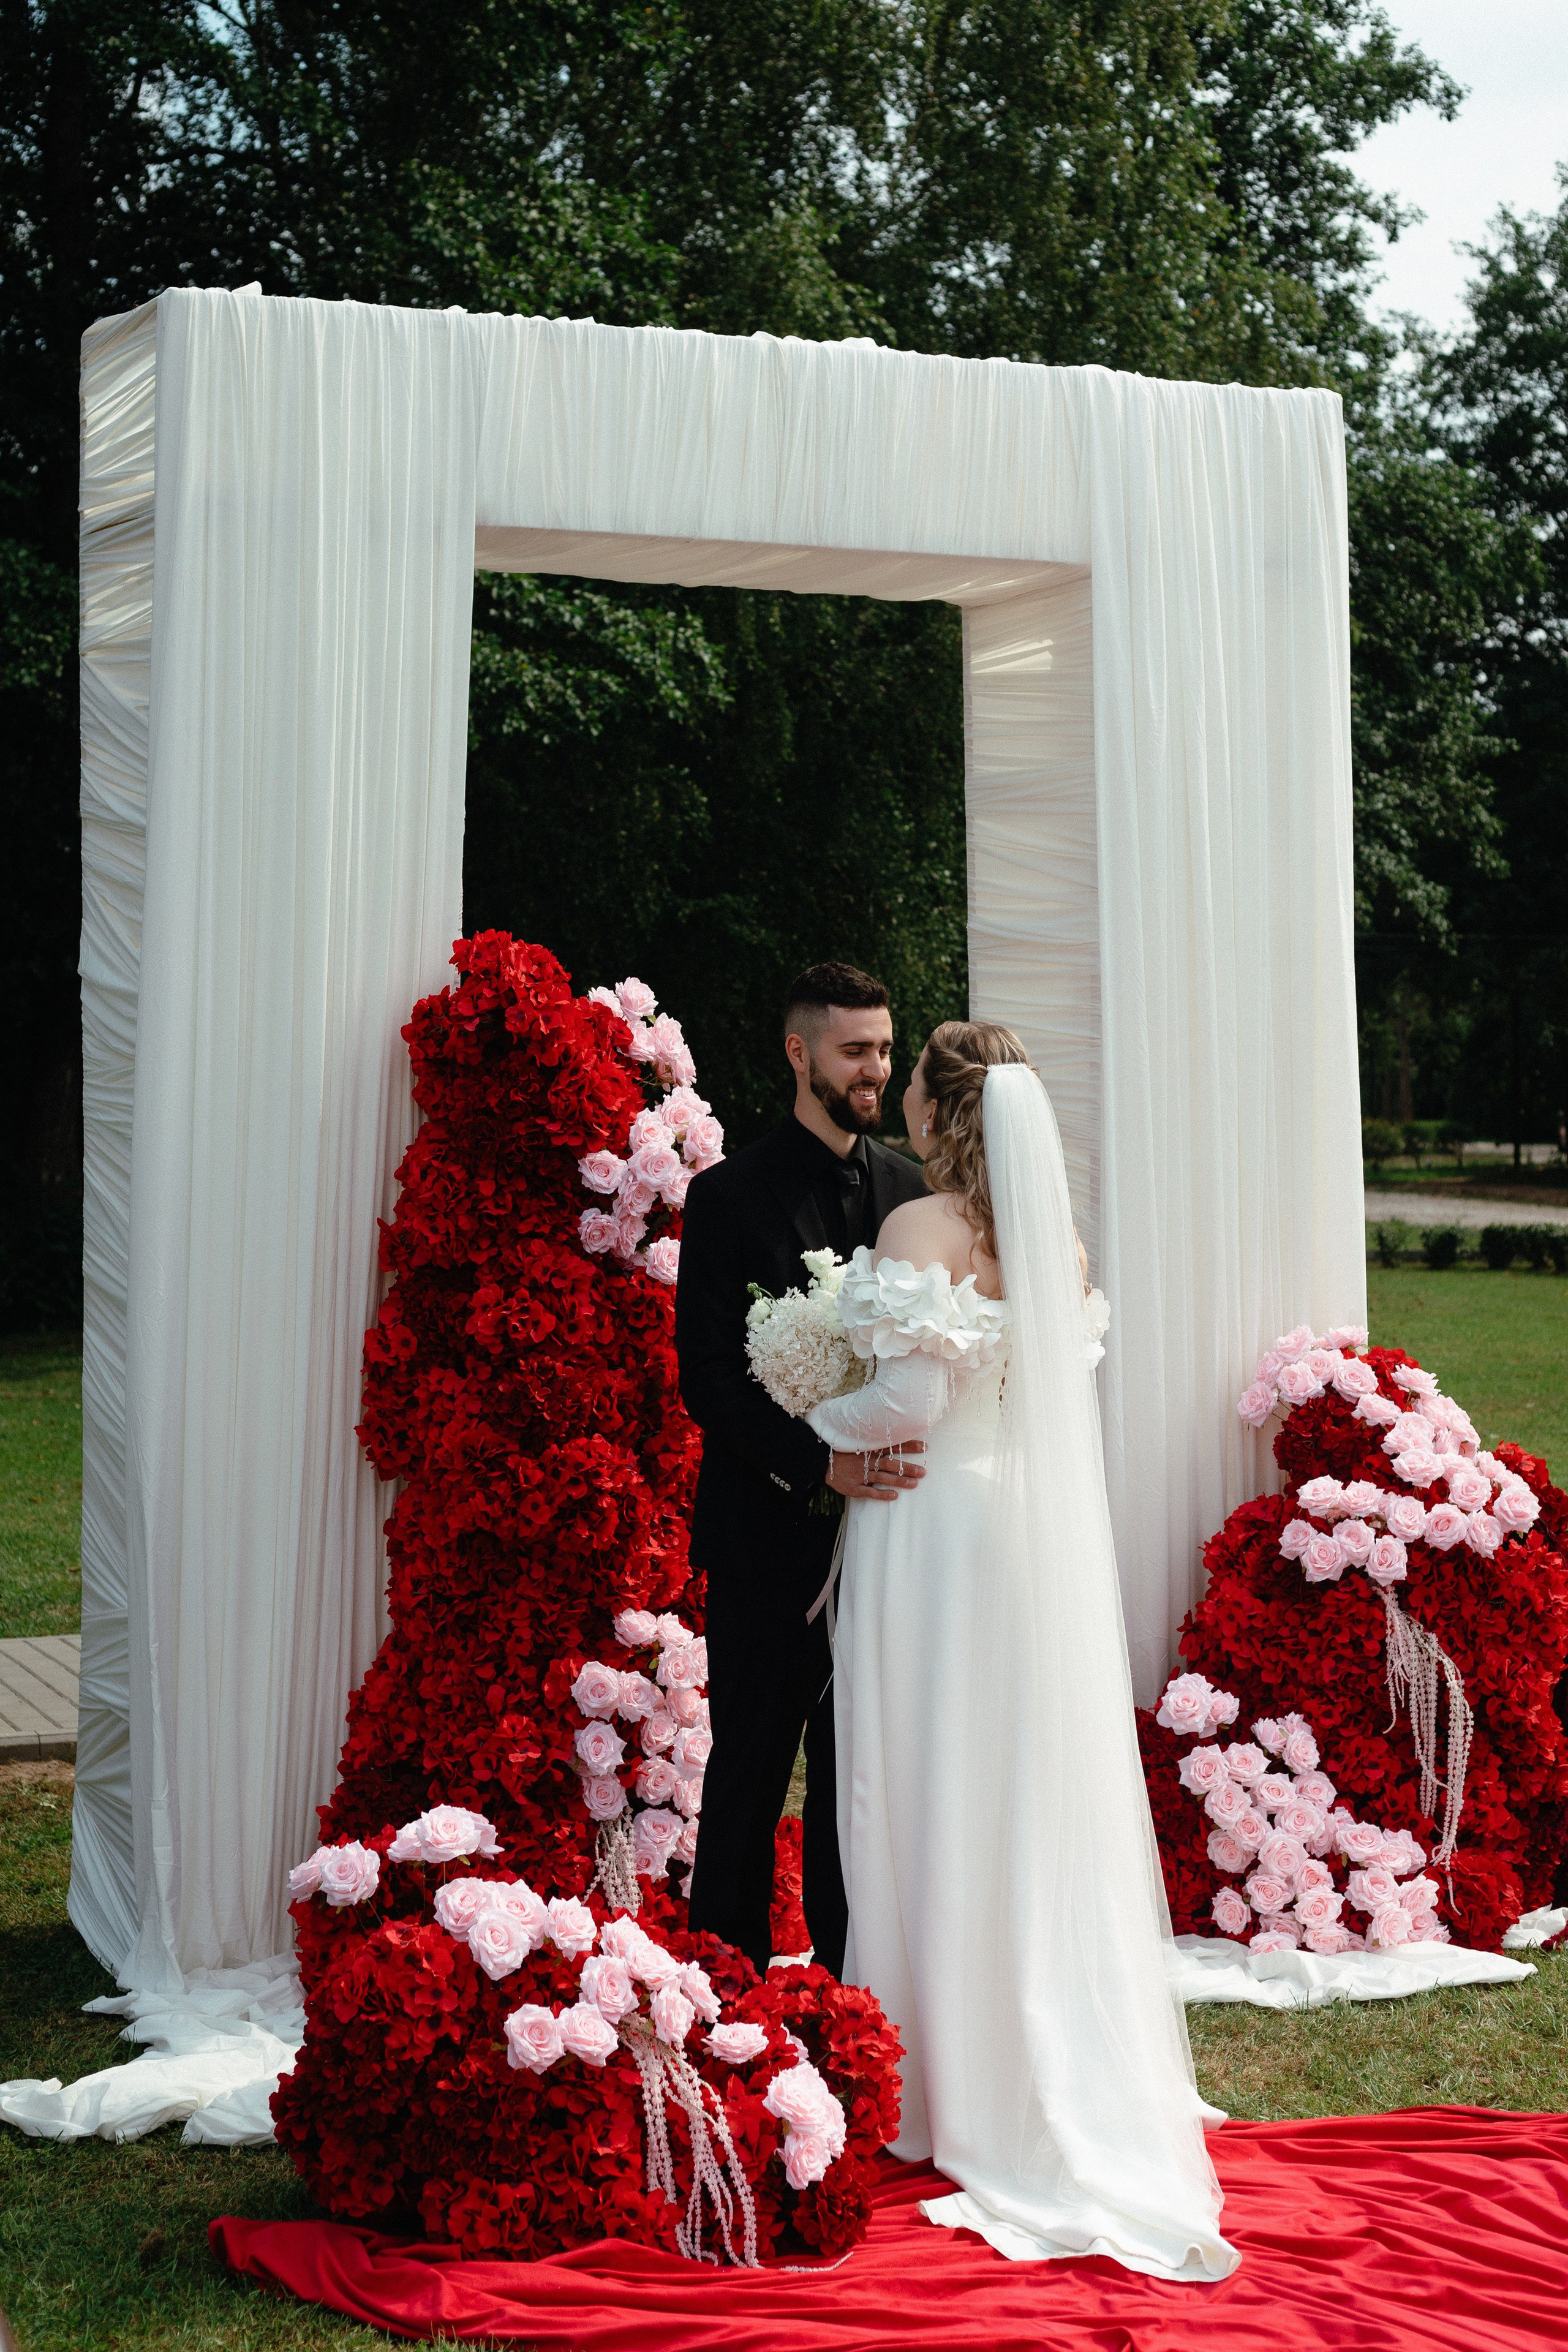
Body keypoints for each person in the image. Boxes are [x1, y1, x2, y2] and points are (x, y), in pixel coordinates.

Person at [805, 1021, 1238, 2282]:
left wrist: (808, 1404)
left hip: (927, 1523)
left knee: (919, 1780)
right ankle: (1016, 2041)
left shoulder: (915, 1235)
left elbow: (905, 1406)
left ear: (940, 1119)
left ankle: (934, 2078)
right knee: (1010, 1789)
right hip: (1023, 1542)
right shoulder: (1061, 1251)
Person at [674, 962, 929, 1981]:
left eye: (883, 1048)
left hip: (891, 1543)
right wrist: (822, 1464)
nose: (875, 1069)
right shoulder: (727, 1198)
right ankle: (721, 1979)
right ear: (800, 1052)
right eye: (854, 1050)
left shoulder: (918, 1192)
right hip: (764, 1536)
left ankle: (842, 1977)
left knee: (855, 1772)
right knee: (747, 1768)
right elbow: (708, 1381)